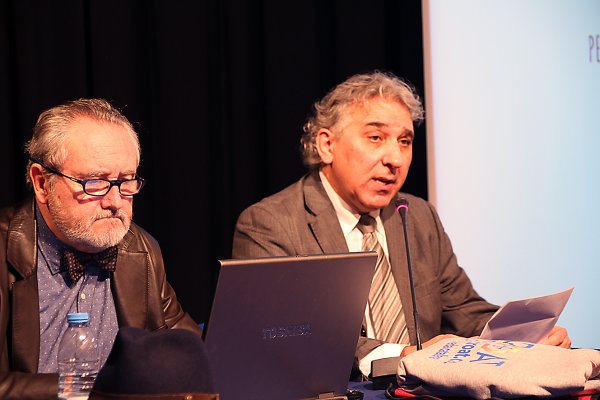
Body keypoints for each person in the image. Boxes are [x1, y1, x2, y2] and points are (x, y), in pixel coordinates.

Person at [232, 71, 571, 378]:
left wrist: (523, 338)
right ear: (327, 145)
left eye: (404, 141)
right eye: (375, 137)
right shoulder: (271, 224)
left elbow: (463, 310)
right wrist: (402, 357)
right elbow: (290, 336)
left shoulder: (417, 215)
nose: (394, 159)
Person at [0, 99, 201, 399]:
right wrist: (93, 390)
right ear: (41, 183)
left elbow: (189, 350)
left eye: (125, 181)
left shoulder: (140, 250)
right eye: (94, 182)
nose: (115, 202)